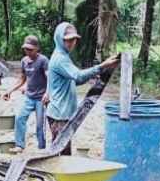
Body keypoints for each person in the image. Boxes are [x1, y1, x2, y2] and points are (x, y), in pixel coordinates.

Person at [46, 22, 120, 155]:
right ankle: (58, 175)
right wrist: (102, 66)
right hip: (59, 114)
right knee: (61, 153)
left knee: (61, 150)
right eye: (68, 40)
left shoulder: (63, 56)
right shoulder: (60, 59)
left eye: (73, 40)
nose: (71, 43)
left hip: (61, 112)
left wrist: (93, 75)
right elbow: (78, 77)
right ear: (59, 39)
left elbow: (72, 81)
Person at [3, 35, 49, 153]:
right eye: (26, 49)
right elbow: (22, 79)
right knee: (20, 118)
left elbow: (50, 78)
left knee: (40, 125)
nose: (28, 51)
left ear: (37, 48)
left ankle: (41, 148)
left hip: (41, 99)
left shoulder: (43, 60)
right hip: (29, 97)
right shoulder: (24, 61)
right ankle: (20, 145)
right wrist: (10, 90)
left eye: (30, 49)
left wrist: (48, 93)